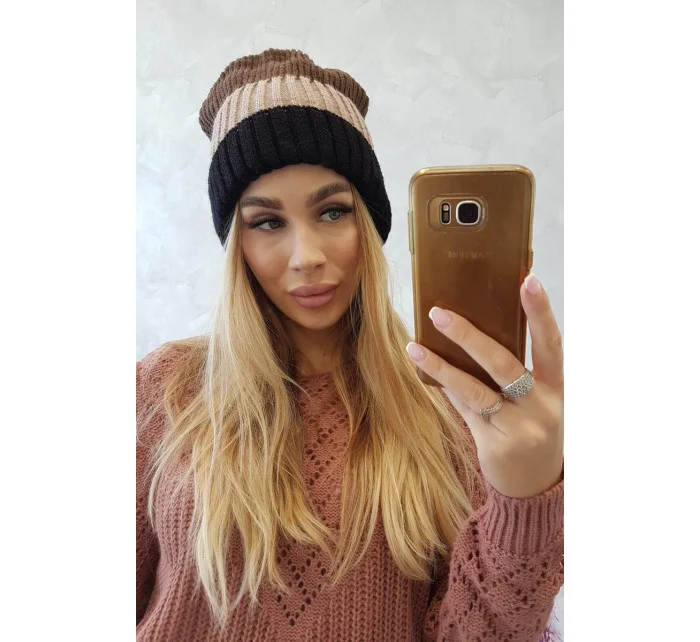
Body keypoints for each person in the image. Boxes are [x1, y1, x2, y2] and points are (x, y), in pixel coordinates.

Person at [136, 48, 564, 642]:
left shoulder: (456, 409)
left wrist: (525, 500)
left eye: (333, 212)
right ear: (238, 245)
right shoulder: (161, 391)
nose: (307, 256)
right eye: (267, 222)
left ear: (369, 222)